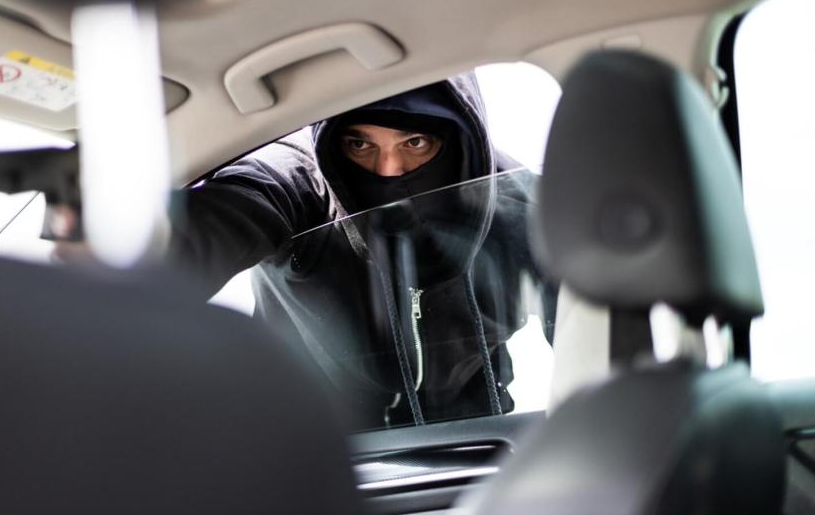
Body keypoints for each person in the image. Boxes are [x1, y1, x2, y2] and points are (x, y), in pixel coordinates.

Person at [167, 73, 556, 429]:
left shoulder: (523, 209)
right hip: (312, 433)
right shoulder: (295, 180)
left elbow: (596, 336)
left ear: (459, 142)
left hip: (470, 432)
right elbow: (210, 228)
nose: (389, 170)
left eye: (415, 142)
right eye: (360, 143)